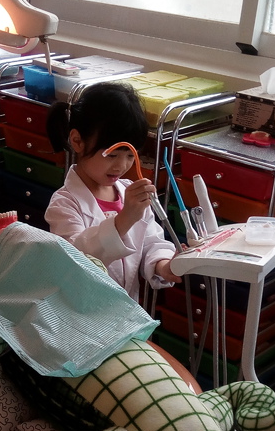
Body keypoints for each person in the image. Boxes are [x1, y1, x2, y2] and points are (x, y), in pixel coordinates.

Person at [44, 81, 178, 301]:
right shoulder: (64, 203)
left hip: (123, 308)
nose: (121, 166)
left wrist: (165, 265)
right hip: (81, 310)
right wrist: (125, 219)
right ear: (77, 141)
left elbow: (150, 242)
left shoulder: (128, 194)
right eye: (112, 155)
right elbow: (76, 260)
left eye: (130, 155)